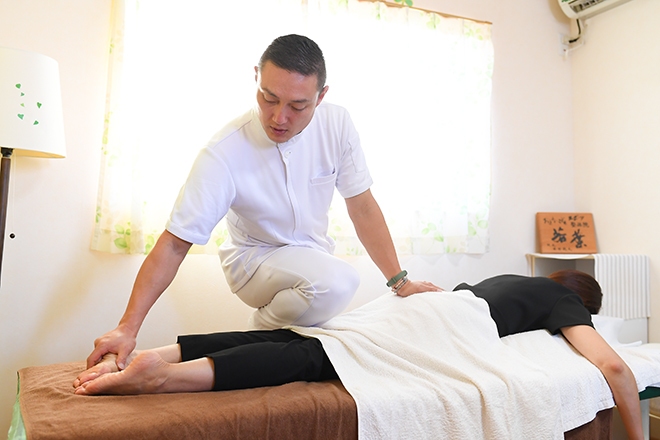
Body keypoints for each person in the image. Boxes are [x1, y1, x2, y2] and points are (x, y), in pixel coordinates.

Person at [86, 34, 441, 372]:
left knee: (317, 312)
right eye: (269, 98)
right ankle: (257, 333)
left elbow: (361, 205)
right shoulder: (224, 152)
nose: (279, 117)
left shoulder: (337, 124)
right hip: (254, 262)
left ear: (321, 96)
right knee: (339, 281)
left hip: (311, 259)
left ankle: (238, 348)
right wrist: (127, 328)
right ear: (256, 77)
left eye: (297, 105)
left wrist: (400, 282)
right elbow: (175, 243)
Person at [74, 269, 643, 440]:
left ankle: (163, 353)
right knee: (315, 362)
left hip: (419, 306)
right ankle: (166, 378)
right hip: (445, 324)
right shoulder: (564, 302)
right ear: (581, 300)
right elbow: (613, 365)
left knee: (305, 340)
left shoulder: (512, 280)